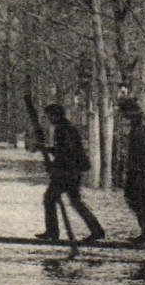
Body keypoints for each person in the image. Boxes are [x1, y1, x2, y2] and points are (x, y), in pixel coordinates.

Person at [34, 104, 105, 244]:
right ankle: (97, 231)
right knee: (75, 202)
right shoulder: (65, 128)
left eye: (49, 116)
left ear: (55, 115)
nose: (48, 119)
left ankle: (53, 232)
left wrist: (53, 164)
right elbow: (64, 150)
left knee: (50, 199)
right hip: (71, 171)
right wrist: (49, 151)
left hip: (67, 172)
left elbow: (67, 153)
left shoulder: (63, 130)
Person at [116, 97, 145, 245]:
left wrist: (141, 168)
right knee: (138, 199)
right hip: (140, 169)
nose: (124, 117)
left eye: (125, 113)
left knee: (138, 199)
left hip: (141, 170)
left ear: (130, 111)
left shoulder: (142, 126)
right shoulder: (142, 123)